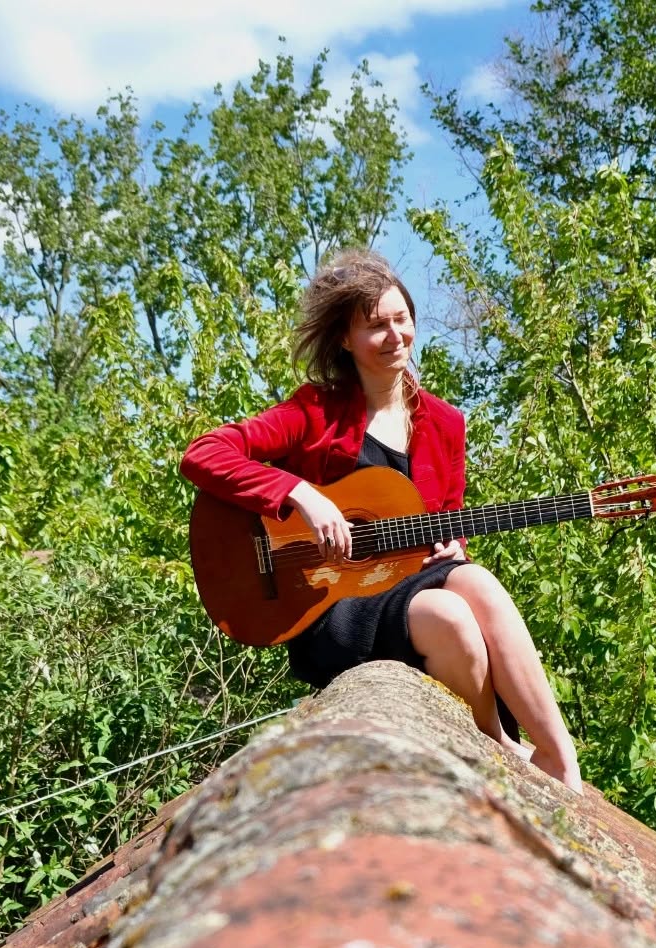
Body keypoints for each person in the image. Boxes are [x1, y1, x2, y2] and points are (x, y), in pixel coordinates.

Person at [181, 249, 583, 791]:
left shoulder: (443, 423)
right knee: (450, 616)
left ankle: (557, 758)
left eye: (402, 319)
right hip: (326, 604)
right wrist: (299, 493)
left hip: (407, 585)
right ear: (346, 340)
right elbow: (204, 455)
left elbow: (446, 517)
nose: (395, 335)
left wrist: (454, 545)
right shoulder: (315, 412)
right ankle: (497, 741)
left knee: (473, 581)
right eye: (376, 326)